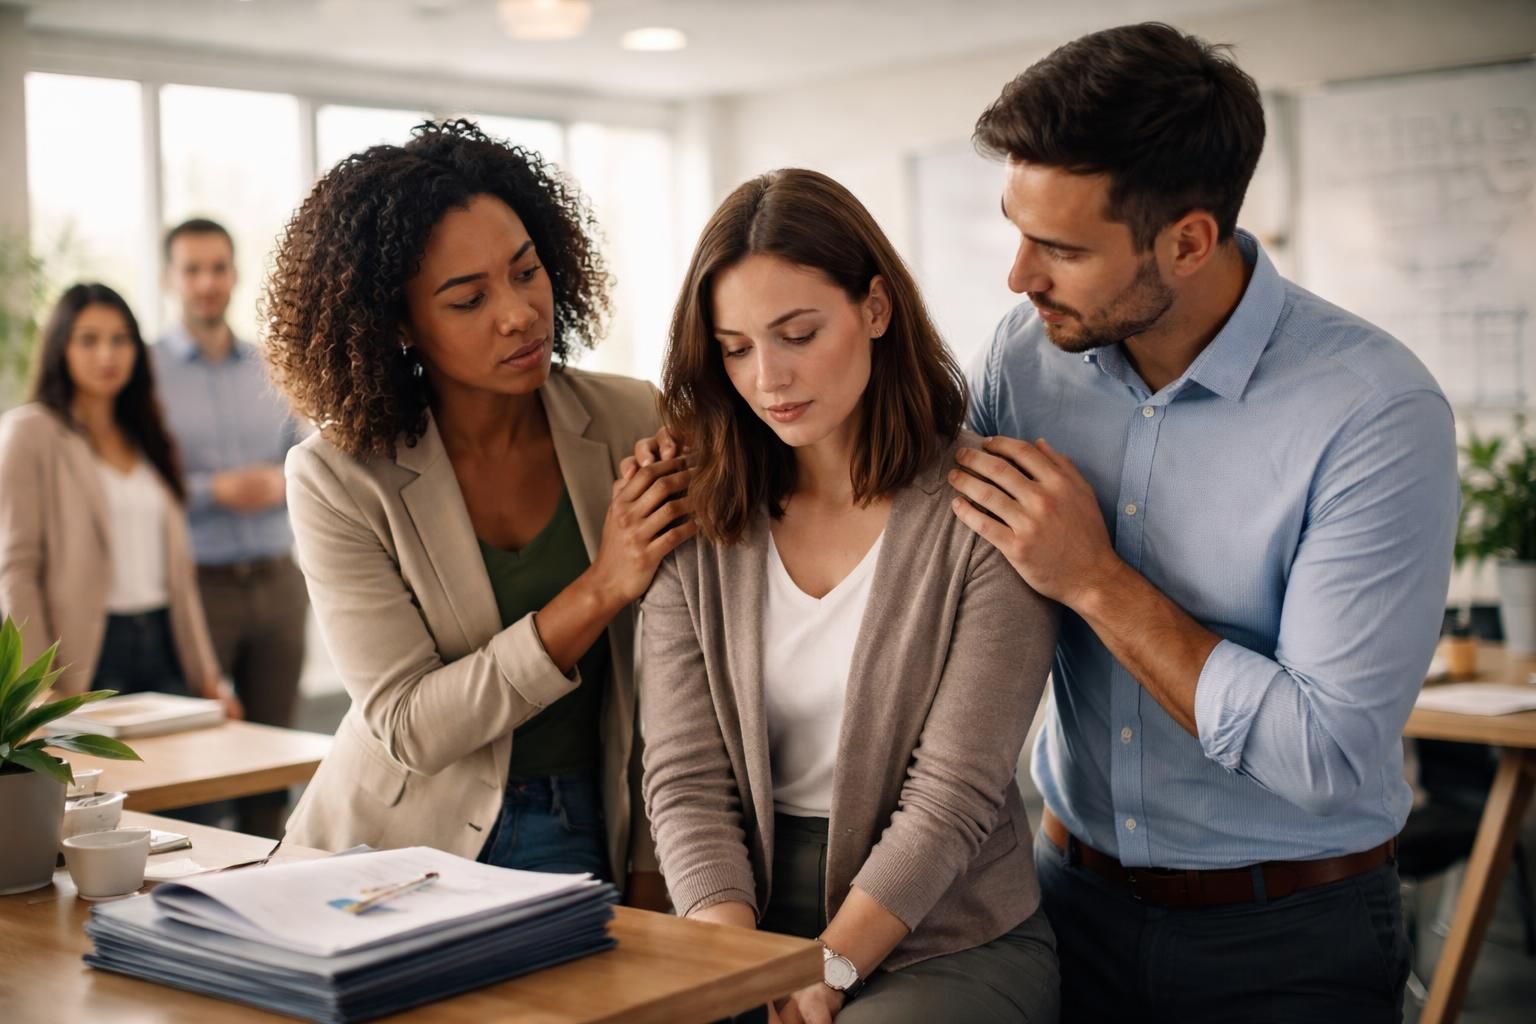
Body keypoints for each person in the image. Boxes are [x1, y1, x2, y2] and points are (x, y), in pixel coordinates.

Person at [950, 23, 1458, 1022]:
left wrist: (1094, 579)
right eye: (1016, 228)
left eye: (1060, 247)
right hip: (1063, 897)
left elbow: (1324, 755)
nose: (1019, 277)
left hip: (1286, 940)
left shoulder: (1374, 411)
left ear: (1186, 239)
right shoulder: (1024, 354)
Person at [640, 168, 1060, 1024]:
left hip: (944, 928)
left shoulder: (983, 511)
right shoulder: (702, 517)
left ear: (875, 309)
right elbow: (685, 780)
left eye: (798, 333)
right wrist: (736, 970)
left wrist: (827, 968)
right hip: (740, 913)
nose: (769, 378)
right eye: (736, 348)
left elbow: (954, 797)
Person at [261, 120, 687, 908]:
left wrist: (659, 855)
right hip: (391, 849)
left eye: (527, 272)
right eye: (468, 299)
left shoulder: (634, 419)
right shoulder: (336, 477)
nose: (519, 313)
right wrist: (598, 588)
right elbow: (408, 724)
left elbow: (678, 667)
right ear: (397, 324)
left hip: (597, 816)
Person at [0, 283, 233, 710]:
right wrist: (31, 683)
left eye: (120, 339)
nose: (107, 355)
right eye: (88, 339)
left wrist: (209, 675)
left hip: (166, 646)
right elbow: (16, 568)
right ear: (61, 347)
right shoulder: (30, 433)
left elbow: (180, 572)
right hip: (89, 653)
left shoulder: (150, 438)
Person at [152, 217, 307, 838]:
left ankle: (270, 873)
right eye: (192, 269)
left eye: (218, 268)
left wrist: (283, 479)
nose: (207, 283)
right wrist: (213, 490)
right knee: (197, 754)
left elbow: (308, 453)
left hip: (277, 581)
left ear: (235, 274)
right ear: (170, 278)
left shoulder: (271, 365)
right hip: (198, 589)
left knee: (273, 757)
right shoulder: (144, 371)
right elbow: (138, 478)